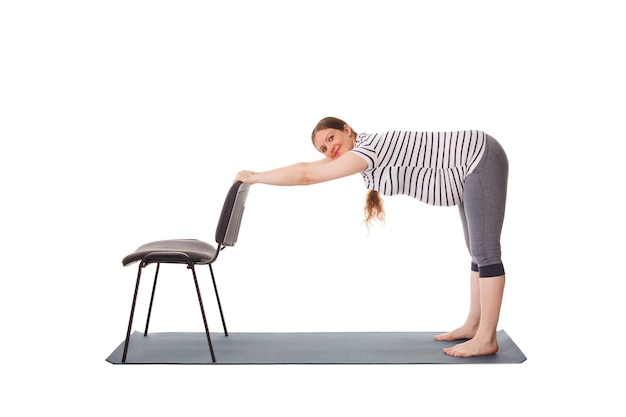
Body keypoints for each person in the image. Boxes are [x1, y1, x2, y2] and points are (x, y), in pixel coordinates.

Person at [235, 116, 509, 357]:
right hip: (470, 161)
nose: (331, 148)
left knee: (486, 253)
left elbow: (307, 175)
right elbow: (306, 166)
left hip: (479, 158)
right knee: (477, 251)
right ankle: (474, 324)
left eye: (331, 138)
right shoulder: (362, 148)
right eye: (325, 148)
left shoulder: (369, 149)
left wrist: (255, 177)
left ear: (347, 129)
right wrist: (257, 175)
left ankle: (486, 338)